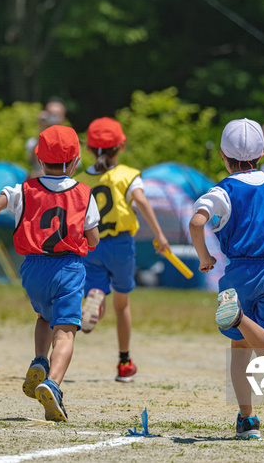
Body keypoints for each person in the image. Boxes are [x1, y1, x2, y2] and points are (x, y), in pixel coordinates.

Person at [0, 125, 100, 422]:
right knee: (66, 330)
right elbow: (93, 239)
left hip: (32, 269)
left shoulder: (23, 189)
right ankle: (52, 382)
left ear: (39, 159)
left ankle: (39, 360)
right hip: (67, 267)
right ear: (76, 161)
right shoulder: (84, 193)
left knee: (44, 316)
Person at [189, 118, 264, 439]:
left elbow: (197, 223)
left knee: (240, 351)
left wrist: (205, 258)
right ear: (262, 153)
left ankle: (247, 418)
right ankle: (239, 318)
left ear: (224, 158)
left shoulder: (222, 190)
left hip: (238, 273)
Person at [74, 117, 170, 382]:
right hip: (121, 245)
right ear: (121, 147)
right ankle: (124, 362)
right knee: (122, 304)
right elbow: (140, 200)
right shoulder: (127, 175)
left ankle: (94, 297)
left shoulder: (81, 179)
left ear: (90, 149)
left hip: (91, 244)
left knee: (96, 289)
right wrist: (160, 234)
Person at [25, 97, 67, 179]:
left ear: (63, 119)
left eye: (56, 115)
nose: (53, 118)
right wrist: (41, 130)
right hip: (38, 183)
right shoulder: (33, 141)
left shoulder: (70, 142)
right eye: (50, 114)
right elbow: (32, 160)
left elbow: (73, 168)